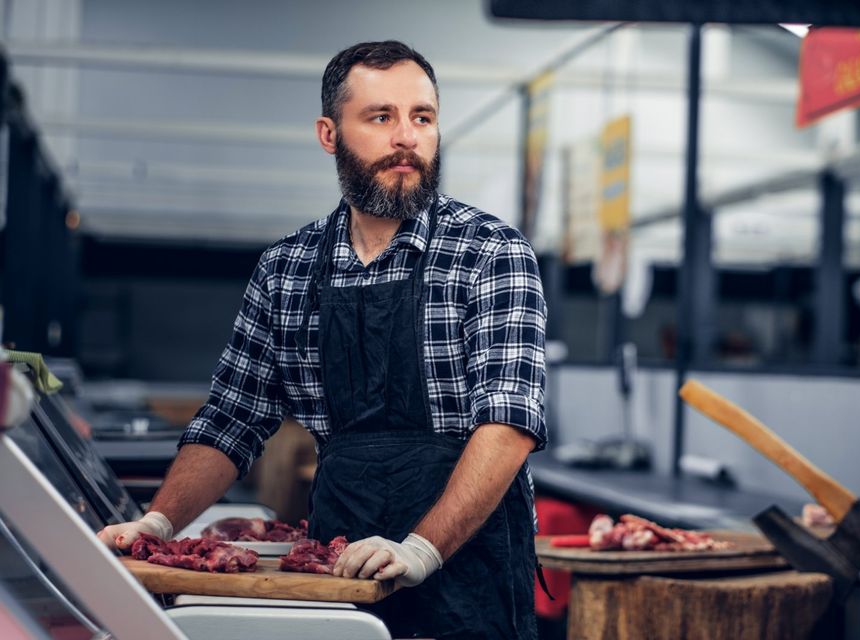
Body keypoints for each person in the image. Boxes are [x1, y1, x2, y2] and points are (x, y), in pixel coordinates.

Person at [97, 40, 547, 640]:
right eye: (381, 117)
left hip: (470, 572)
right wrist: (157, 523)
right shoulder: (287, 269)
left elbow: (508, 426)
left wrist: (421, 549)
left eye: (423, 117)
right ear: (329, 134)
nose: (407, 137)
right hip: (340, 572)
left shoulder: (490, 253)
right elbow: (232, 420)